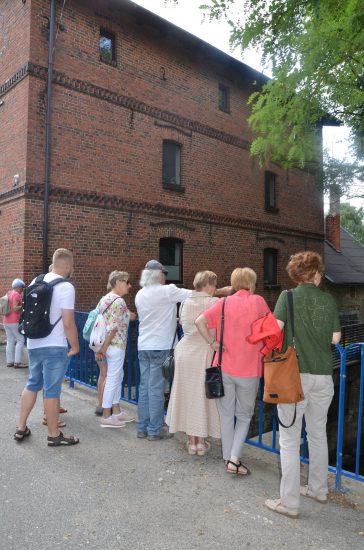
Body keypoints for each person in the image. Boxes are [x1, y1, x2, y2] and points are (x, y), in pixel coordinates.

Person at [265, 251, 341, 519]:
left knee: (289, 439)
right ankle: (319, 489)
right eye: (319, 271)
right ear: (314, 273)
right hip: (323, 376)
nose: (321, 276)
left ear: (298, 275)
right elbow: (335, 338)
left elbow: (275, 330)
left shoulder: (288, 297)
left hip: (294, 377)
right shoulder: (328, 300)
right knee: (318, 434)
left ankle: (290, 502)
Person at [195, 267, 270, 475]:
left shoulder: (224, 302)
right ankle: (234, 460)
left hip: (224, 366)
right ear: (251, 283)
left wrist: (212, 342)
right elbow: (271, 328)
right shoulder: (258, 302)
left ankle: (228, 457)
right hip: (249, 369)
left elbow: (199, 321)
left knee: (226, 415)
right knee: (244, 415)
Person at [14, 248, 80, 446]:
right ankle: (53, 434)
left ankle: (21, 428)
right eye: (71, 266)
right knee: (52, 390)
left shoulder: (36, 281)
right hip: (54, 345)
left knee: (32, 384)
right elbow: (68, 322)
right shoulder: (66, 287)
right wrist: (75, 346)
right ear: (67, 265)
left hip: (33, 341)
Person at [135, 260, 194, 441]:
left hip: (143, 346)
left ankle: (142, 427)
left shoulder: (140, 294)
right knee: (156, 389)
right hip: (161, 347)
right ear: (158, 275)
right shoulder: (167, 291)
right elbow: (195, 294)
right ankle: (155, 430)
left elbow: (154, 315)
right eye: (164, 274)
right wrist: (221, 292)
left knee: (144, 388)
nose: (165, 277)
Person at [166, 271, 221, 455]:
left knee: (186, 394)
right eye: (213, 284)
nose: (214, 288)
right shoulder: (214, 302)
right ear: (207, 285)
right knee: (203, 395)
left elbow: (183, 324)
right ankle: (201, 441)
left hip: (185, 351)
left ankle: (192, 442)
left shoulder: (185, 302)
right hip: (205, 352)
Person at [95, 271, 136, 428]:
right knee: (113, 378)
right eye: (127, 282)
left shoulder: (105, 299)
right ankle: (107, 415)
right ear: (118, 282)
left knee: (117, 376)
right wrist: (103, 350)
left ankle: (116, 412)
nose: (129, 285)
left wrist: (102, 348)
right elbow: (113, 328)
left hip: (109, 345)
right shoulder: (119, 301)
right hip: (115, 345)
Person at [3, 278, 27, 368]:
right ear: (18, 287)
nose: (22, 290)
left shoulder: (9, 293)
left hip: (6, 320)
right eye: (22, 287)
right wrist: (23, 305)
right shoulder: (16, 294)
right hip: (14, 321)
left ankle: (10, 362)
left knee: (10, 340)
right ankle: (17, 362)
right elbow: (15, 308)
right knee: (21, 339)